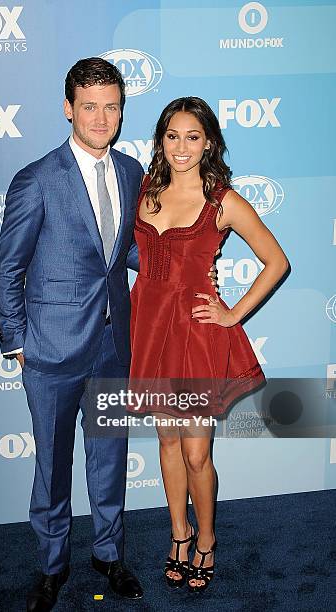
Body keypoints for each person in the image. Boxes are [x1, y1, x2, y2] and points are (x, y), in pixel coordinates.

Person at [0, 57, 147, 611]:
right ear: (68, 108)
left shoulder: (131, 171)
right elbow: (8, 265)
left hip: (111, 345)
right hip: (50, 349)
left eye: (112, 106)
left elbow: (120, 252)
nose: (102, 117)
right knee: (52, 465)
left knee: (109, 456)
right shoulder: (37, 179)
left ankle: (108, 554)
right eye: (90, 106)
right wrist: (16, 341)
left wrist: (175, 269)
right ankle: (51, 565)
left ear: (122, 110)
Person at [127, 97, 289, 593]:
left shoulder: (223, 201)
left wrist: (232, 312)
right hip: (149, 328)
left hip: (195, 336)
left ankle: (207, 540)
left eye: (192, 137)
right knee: (167, 441)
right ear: (161, 141)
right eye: (172, 136)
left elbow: (277, 262)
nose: (181, 147)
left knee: (197, 452)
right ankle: (178, 534)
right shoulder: (144, 192)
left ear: (210, 142)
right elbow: (137, 256)